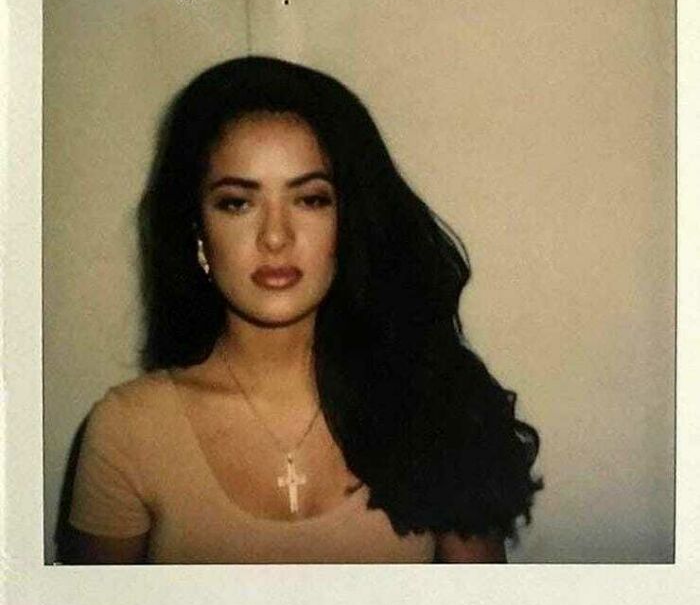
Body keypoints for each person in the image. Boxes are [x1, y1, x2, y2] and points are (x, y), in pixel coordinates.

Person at [64, 56, 542, 564]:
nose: (275, 237)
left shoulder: (437, 402)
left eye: (311, 200)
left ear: (349, 221)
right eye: (236, 202)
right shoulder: (127, 432)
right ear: (197, 233)